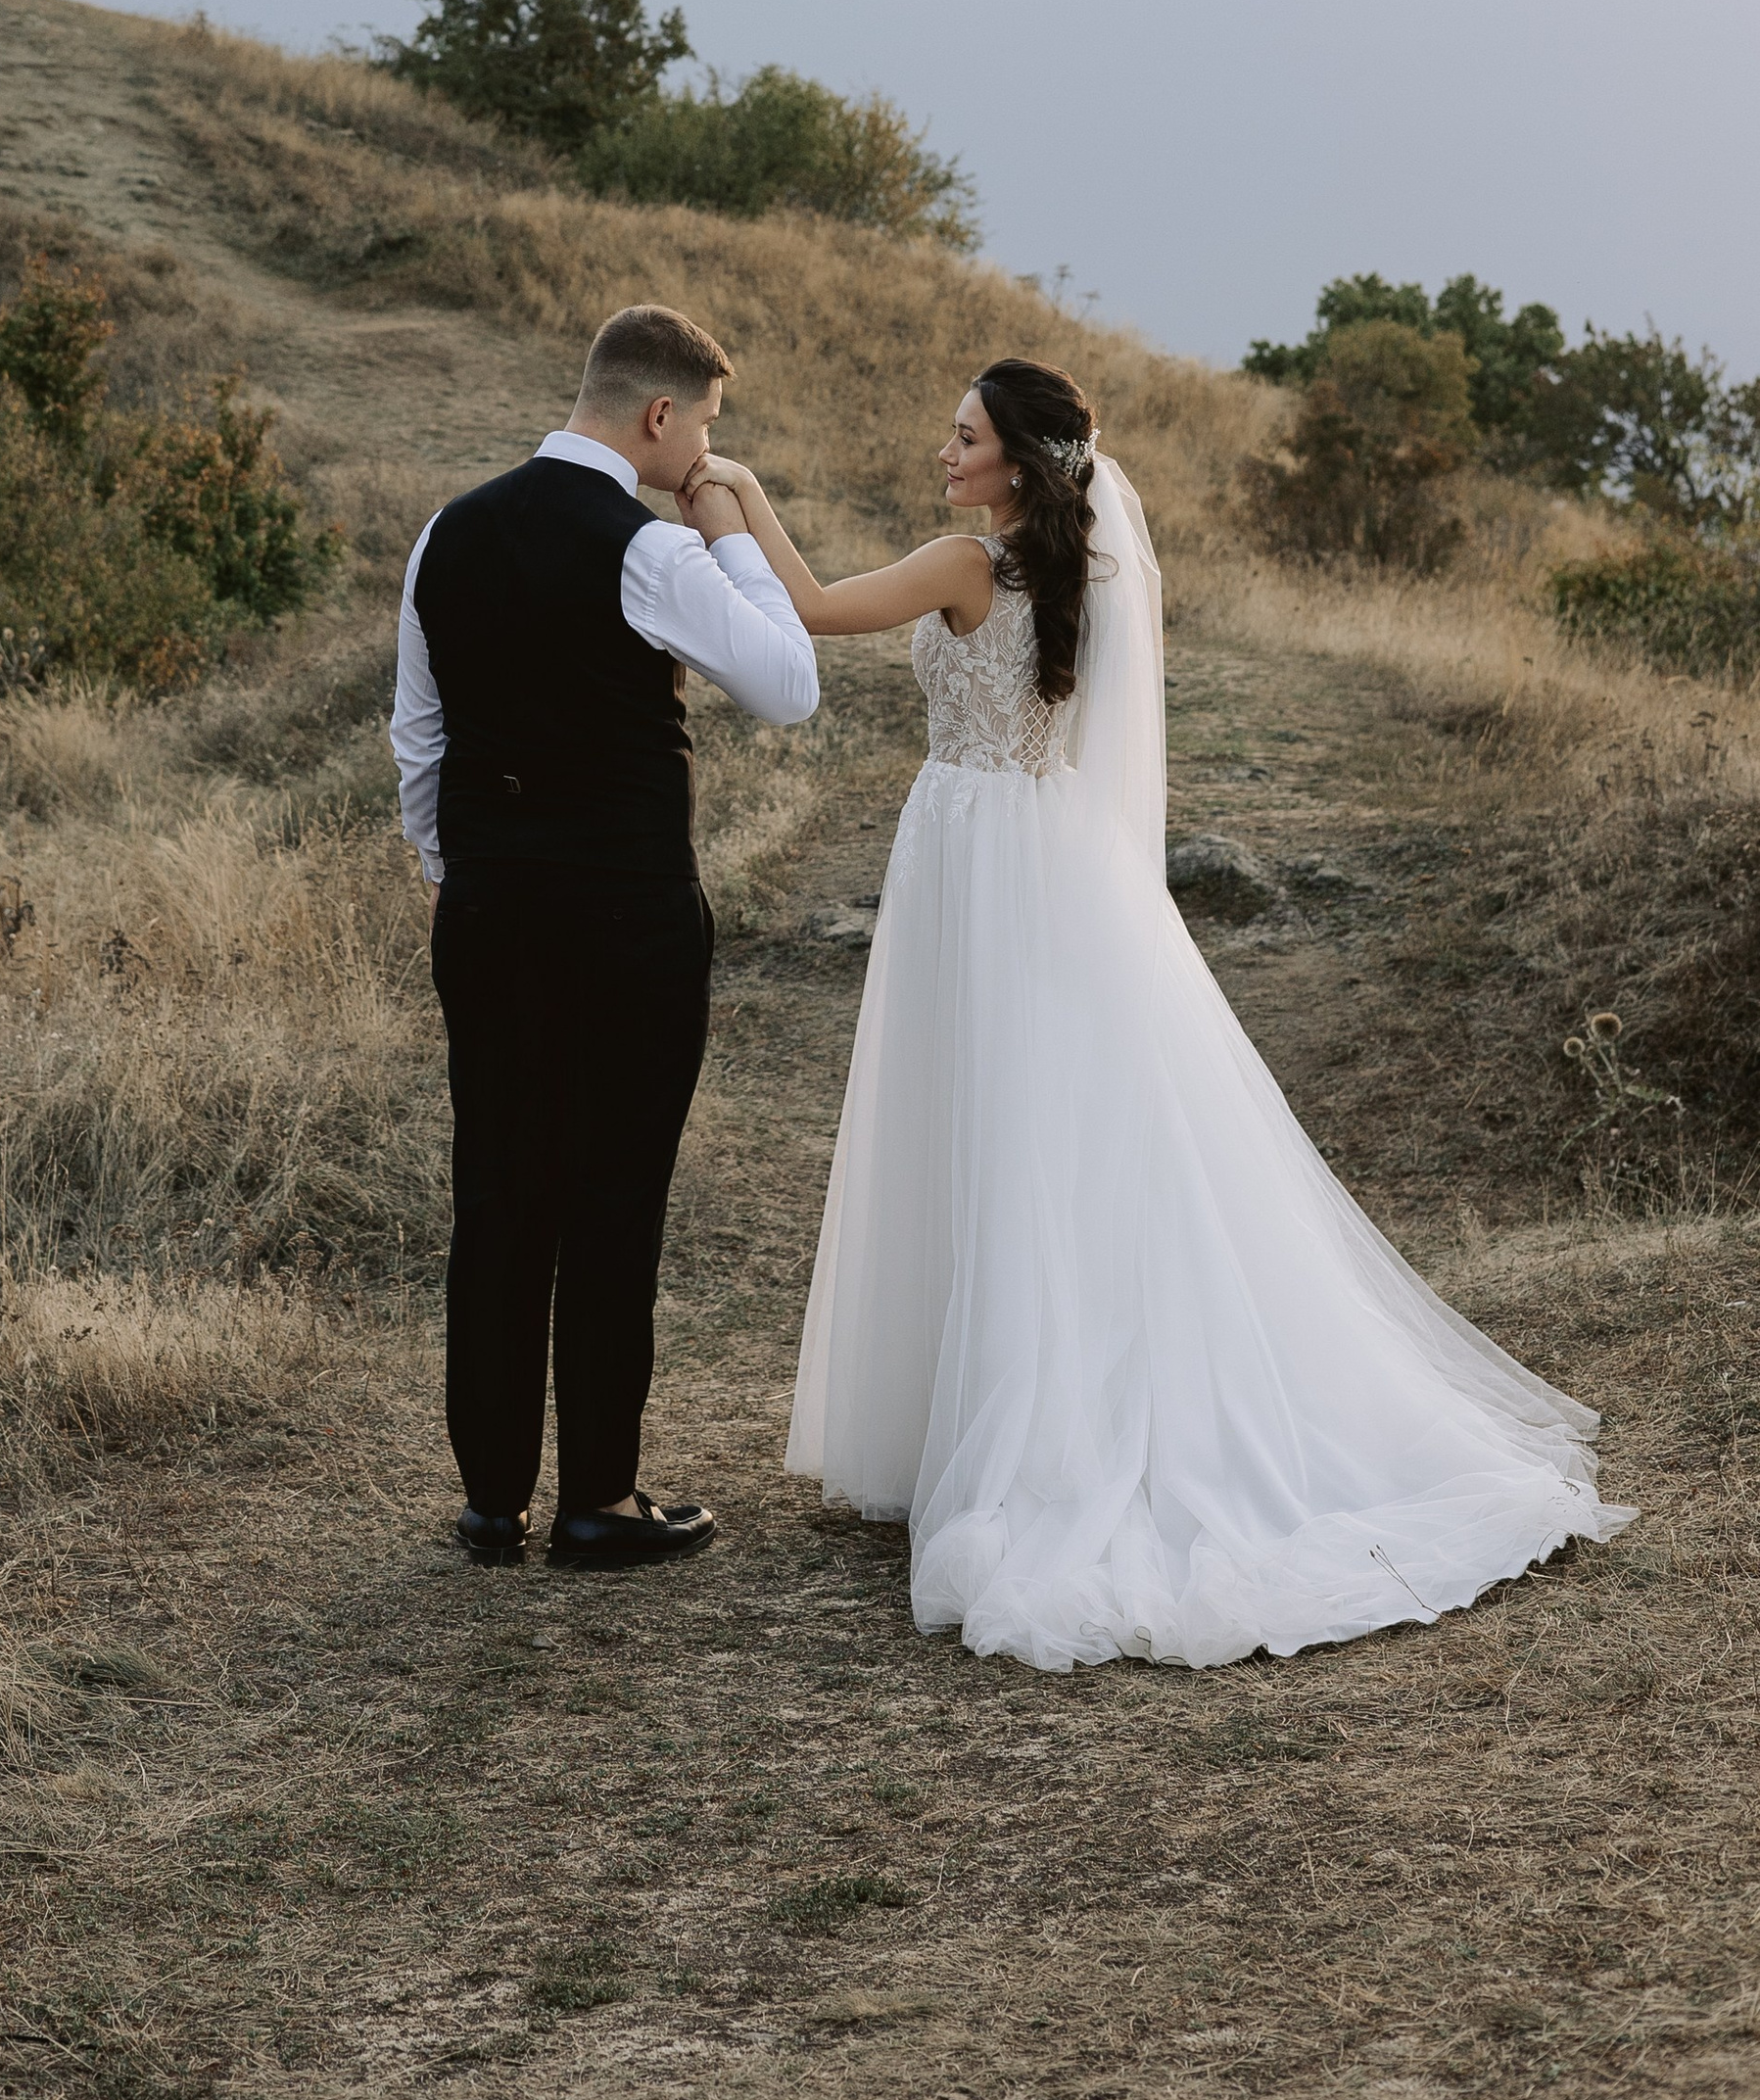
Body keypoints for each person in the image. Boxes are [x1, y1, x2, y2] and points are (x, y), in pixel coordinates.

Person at [683, 358, 1631, 1670]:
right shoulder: (1092, 577)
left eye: (963, 437)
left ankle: (1025, 1434)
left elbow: (812, 606)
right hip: (1047, 857)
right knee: (1044, 1130)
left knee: (992, 1126)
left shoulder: (970, 565)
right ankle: (1001, 1408)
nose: (943, 451)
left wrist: (732, 489)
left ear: (1018, 462)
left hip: (979, 856)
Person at [393, 302, 819, 1567]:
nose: (703, 456)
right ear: (659, 415)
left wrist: (458, 867)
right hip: (627, 915)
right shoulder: (649, 549)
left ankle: (490, 1503)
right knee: (614, 1195)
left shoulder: (446, 532)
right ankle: (601, 1501)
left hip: (487, 906)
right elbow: (786, 688)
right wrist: (731, 529)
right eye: (707, 433)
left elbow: (420, 736)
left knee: (499, 1189)